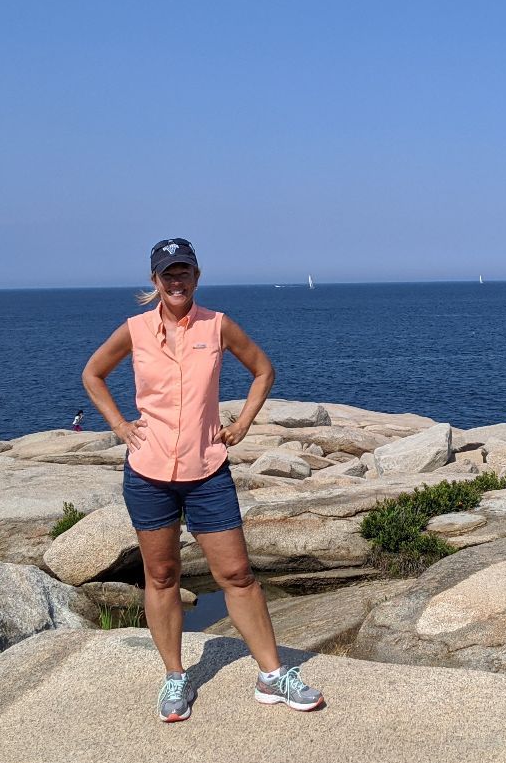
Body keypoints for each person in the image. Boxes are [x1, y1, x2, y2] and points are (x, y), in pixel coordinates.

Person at [82, 237, 325, 723]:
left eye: (184, 272)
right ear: (155, 280)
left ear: (196, 276)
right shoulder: (134, 329)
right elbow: (93, 374)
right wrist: (121, 427)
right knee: (161, 576)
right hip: (148, 472)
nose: (177, 281)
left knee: (236, 575)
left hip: (207, 471)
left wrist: (241, 424)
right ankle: (175, 676)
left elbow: (263, 370)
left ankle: (272, 675)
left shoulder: (218, 325)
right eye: (168, 273)